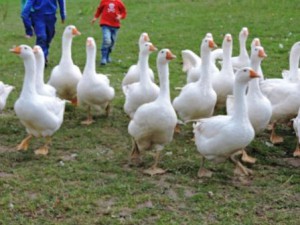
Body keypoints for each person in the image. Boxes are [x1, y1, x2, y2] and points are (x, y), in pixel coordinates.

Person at [21, 0, 66, 66]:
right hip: (38, 16)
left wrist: (63, 14)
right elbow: (28, 4)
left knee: (49, 36)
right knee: (42, 37)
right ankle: (41, 59)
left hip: (51, 16)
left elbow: (61, 1)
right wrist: (25, 14)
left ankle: (42, 54)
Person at [91, 0, 127, 65]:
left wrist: (120, 16)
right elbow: (99, 10)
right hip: (105, 24)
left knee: (112, 42)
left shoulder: (119, 2)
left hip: (115, 26)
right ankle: (103, 57)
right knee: (107, 40)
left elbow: (124, 12)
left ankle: (108, 55)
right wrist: (95, 17)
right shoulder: (104, 1)